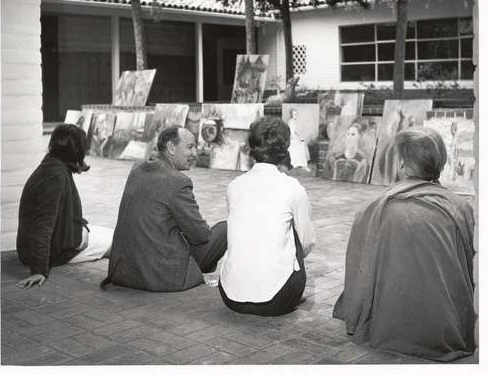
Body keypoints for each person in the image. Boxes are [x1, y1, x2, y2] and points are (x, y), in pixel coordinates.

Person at [333, 126, 476, 362]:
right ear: (440, 163)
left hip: (387, 325)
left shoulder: (372, 209)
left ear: (401, 163)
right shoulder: (461, 207)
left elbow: (360, 271)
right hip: (447, 331)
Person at [102, 126, 227, 292]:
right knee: (226, 228)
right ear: (171, 148)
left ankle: (201, 266)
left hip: (126, 269)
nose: (194, 153)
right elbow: (201, 234)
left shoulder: (138, 167)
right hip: (160, 272)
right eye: (190, 147)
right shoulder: (178, 181)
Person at [219, 116, 316, 316]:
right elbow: (307, 242)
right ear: (285, 149)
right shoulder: (293, 188)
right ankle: (288, 286)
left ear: (252, 149)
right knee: (294, 232)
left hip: (230, 296)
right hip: (276, 300)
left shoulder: (234, 186)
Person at [16, 124, 113, 289]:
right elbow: (43, 225)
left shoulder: (50, 165)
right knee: (117, 241)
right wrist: (39, 270)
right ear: (76, 150)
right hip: (49, 251)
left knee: (109, 233)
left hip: (40, 244)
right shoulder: (56, 176)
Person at [323, 118, 369, 183]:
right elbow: (327, 178)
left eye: (353, 134)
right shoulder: (334, 158)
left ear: (359, 137)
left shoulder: (362, 161)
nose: (349, 138)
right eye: (348, 134)